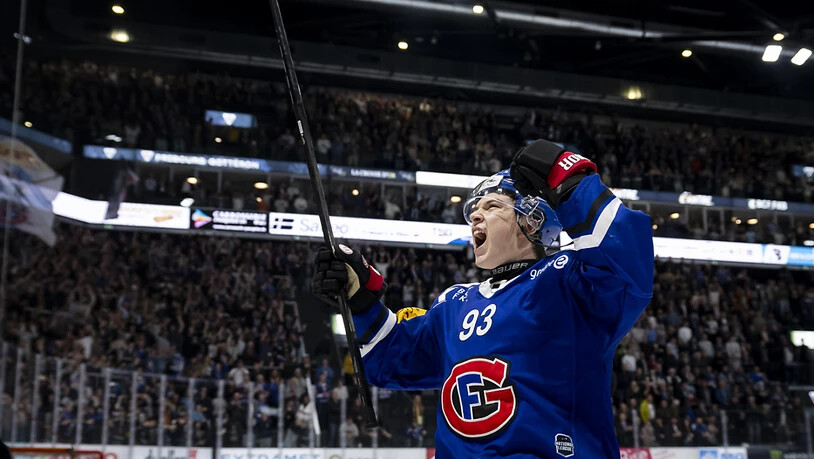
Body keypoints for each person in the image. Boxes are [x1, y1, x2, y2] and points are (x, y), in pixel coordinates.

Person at [312, 139, 654, 457]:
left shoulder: (567, 278)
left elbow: (624, 261)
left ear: (533, 220)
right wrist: (361, 299)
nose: (475, 215)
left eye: (491, 206)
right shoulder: (453, 303)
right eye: (474, 209)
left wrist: (572, 182)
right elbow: (389, 358)